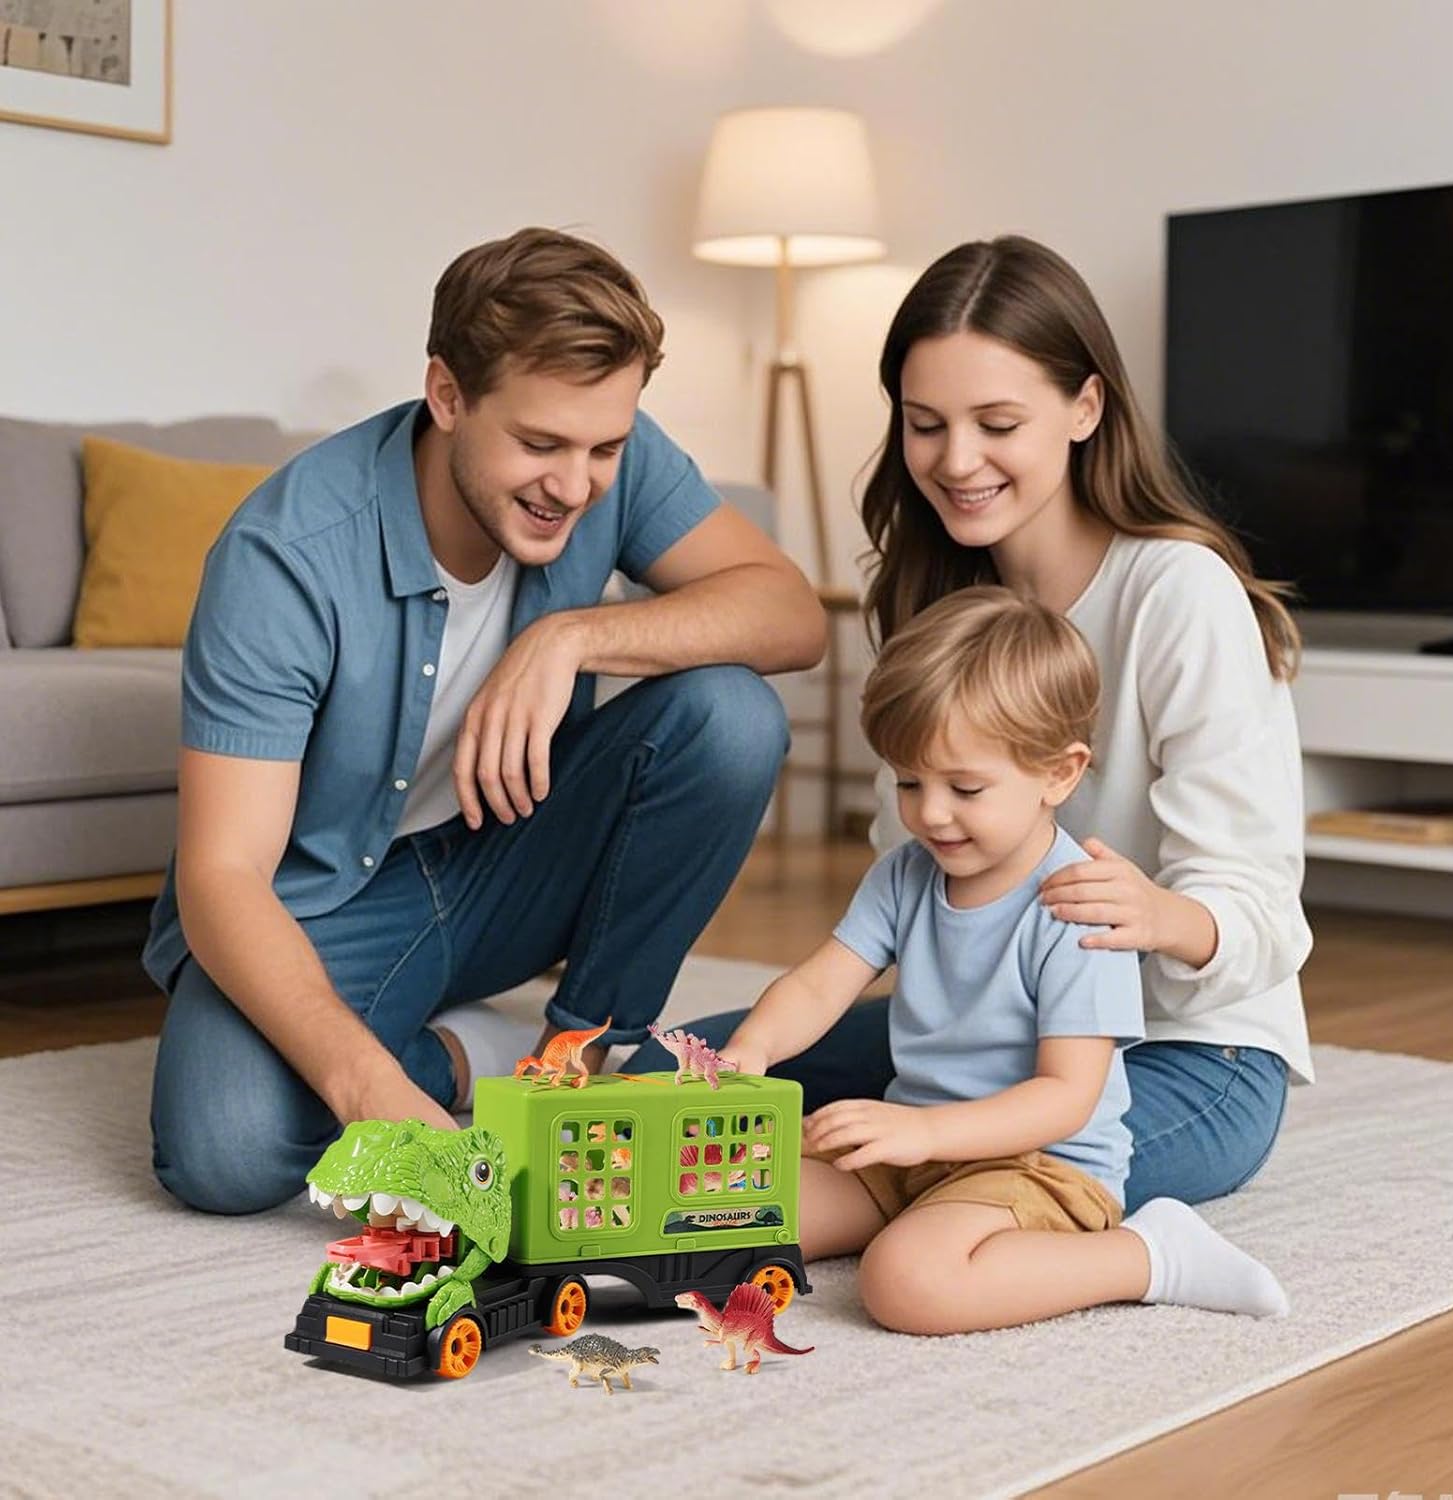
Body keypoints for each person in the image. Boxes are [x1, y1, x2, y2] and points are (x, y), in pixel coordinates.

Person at [624, 235, 1313, 1214]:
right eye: (925, 424)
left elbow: (1263, 912)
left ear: (1085, 407)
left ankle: (1132, 1256)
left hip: (1186, 1053)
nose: (956, 461)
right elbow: (907, 867)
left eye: (997, 423)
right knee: (664, 1081)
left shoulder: (1178, 594)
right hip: (983, 1037)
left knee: (935, 1187)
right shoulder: (934, 599)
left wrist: (1162, 916)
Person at [146, 227, 826, 1215]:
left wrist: (571, 638)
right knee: (227, 1154)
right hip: (327, 908)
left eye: (604, 448)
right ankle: (469, 1057)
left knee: (730, 716)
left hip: (512, 864)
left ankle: (578, 1053)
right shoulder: (283, 555)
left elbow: (791, 613)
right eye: (540, 445)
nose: (575, 485)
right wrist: (373, 1093)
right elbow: (222, 874)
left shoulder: (609, 459)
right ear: (447, 395)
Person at [719, 587, 1287, 1333]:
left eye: (965, 787)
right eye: (909, 782)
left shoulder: (1077, 906)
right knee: (725, 1212)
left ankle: (1147, 1256)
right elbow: (822, 983)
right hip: (917, 1146)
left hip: (1041, 1164)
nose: (930, 813)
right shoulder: (905, 874)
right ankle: (921, 1211)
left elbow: (1066, 1097)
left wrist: (926, 1133)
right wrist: (752, 1049)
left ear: (1060, 773)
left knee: (907, 1283)